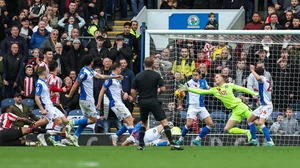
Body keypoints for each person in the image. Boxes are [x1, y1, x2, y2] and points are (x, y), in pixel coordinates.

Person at [179, 74, 258, 141]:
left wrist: (253, 93)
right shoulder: (215, 90)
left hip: (241, 106)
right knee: (227, 129)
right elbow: (201, 91)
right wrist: (188, 89)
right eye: (215, 78)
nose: (215, 79)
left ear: (222, 78)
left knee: (257, 122)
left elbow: (242, 88)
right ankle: (247, 132)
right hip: (235, 111)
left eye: (217, 77)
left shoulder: (229, 85)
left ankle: (269, 140)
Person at [66, 55, 122, 147]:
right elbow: (76, 84)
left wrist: (114, 77)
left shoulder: (90, 71)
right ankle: (73, 123)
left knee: (87, 120)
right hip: (86, 99)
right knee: (93, 120)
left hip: (88, 99)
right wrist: (70, 95)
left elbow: (101, 76)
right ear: (91, 62)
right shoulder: (84, 73)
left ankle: (75, 137)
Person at [131, 57, 183, 150]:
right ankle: (172, 143)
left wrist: (135, 99)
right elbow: (163, 89)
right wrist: (158, 93)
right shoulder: (156, 75)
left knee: (143, 123)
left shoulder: (138, 76)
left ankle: (141, 145)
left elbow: (132, 91)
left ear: (144, 64)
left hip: (143, 101)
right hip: (153, 101)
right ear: (152, 65)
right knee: (164, 122)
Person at [97, 62, 134, 146]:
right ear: (117, 68)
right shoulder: (110, 78)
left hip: (119, 103)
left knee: (127, 122)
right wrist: (99, 103)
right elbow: (102, 90)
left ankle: (115, 136)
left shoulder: (117, 80)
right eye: (120, 68)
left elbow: (119, 91)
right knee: (130, 119)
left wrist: (125, 94)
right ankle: (134, 139)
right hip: (116, 104)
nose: (121, 70)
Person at [176, 69, 214, 146]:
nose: (195, 76)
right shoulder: (189, 83)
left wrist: (216, 90)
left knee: (210, 124)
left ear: (200, 75)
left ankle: (197, 139)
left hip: (201, 107)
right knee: (189, 124)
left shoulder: (204, 82)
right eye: (193, 75)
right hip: (192, 107)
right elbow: (180, 92)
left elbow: (209, 89)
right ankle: (180, 139)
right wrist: (180, 105)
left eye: (196, 75)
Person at [35, 66, 67, 146]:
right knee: (59, 121)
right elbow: (37, 97)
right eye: (46, 71)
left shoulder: (44, 82)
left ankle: (38, 132)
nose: (48, 72)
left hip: (51, 105)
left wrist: (52, 94)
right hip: (47, 106)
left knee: (65, 121)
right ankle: (55, 140)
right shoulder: (39, 83)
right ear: (44, 72)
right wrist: (42, 109)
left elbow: (44, 94)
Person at [247, 65, 274, 146]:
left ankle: (269, 142)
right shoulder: (265, 80)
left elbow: (258, 78)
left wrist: (252, 71)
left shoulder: (261, 79)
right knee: (249, 120)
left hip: (267, 105)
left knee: (261, 123)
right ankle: (254, 140)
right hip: (263, 105)